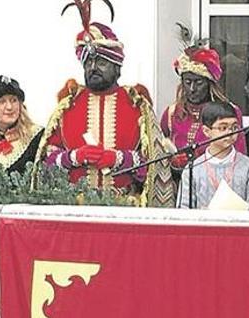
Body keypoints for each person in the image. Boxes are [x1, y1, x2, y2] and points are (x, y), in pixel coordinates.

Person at [37, 7, 175, 206]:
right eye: (88, 62)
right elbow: (46, 163)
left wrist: (119, 158)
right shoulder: (68, 106)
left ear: (117, 68)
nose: (93, 67)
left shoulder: (137, 105)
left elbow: (155, 165)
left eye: (101, 62)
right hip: (74, 208)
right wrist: (75, 156)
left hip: (125, 209)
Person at [161, 25, 246, 159]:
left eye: (199, 82)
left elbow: (239, 158)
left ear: (209, 83)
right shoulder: (171, 114)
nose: (192, 89)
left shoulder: (229, 113)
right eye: (188, 82)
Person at [177, 101, 249, 210]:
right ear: (206, 131)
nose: (230, 132)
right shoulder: (193, 169)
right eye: (223, 128)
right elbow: (183, 211)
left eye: (234, 127)